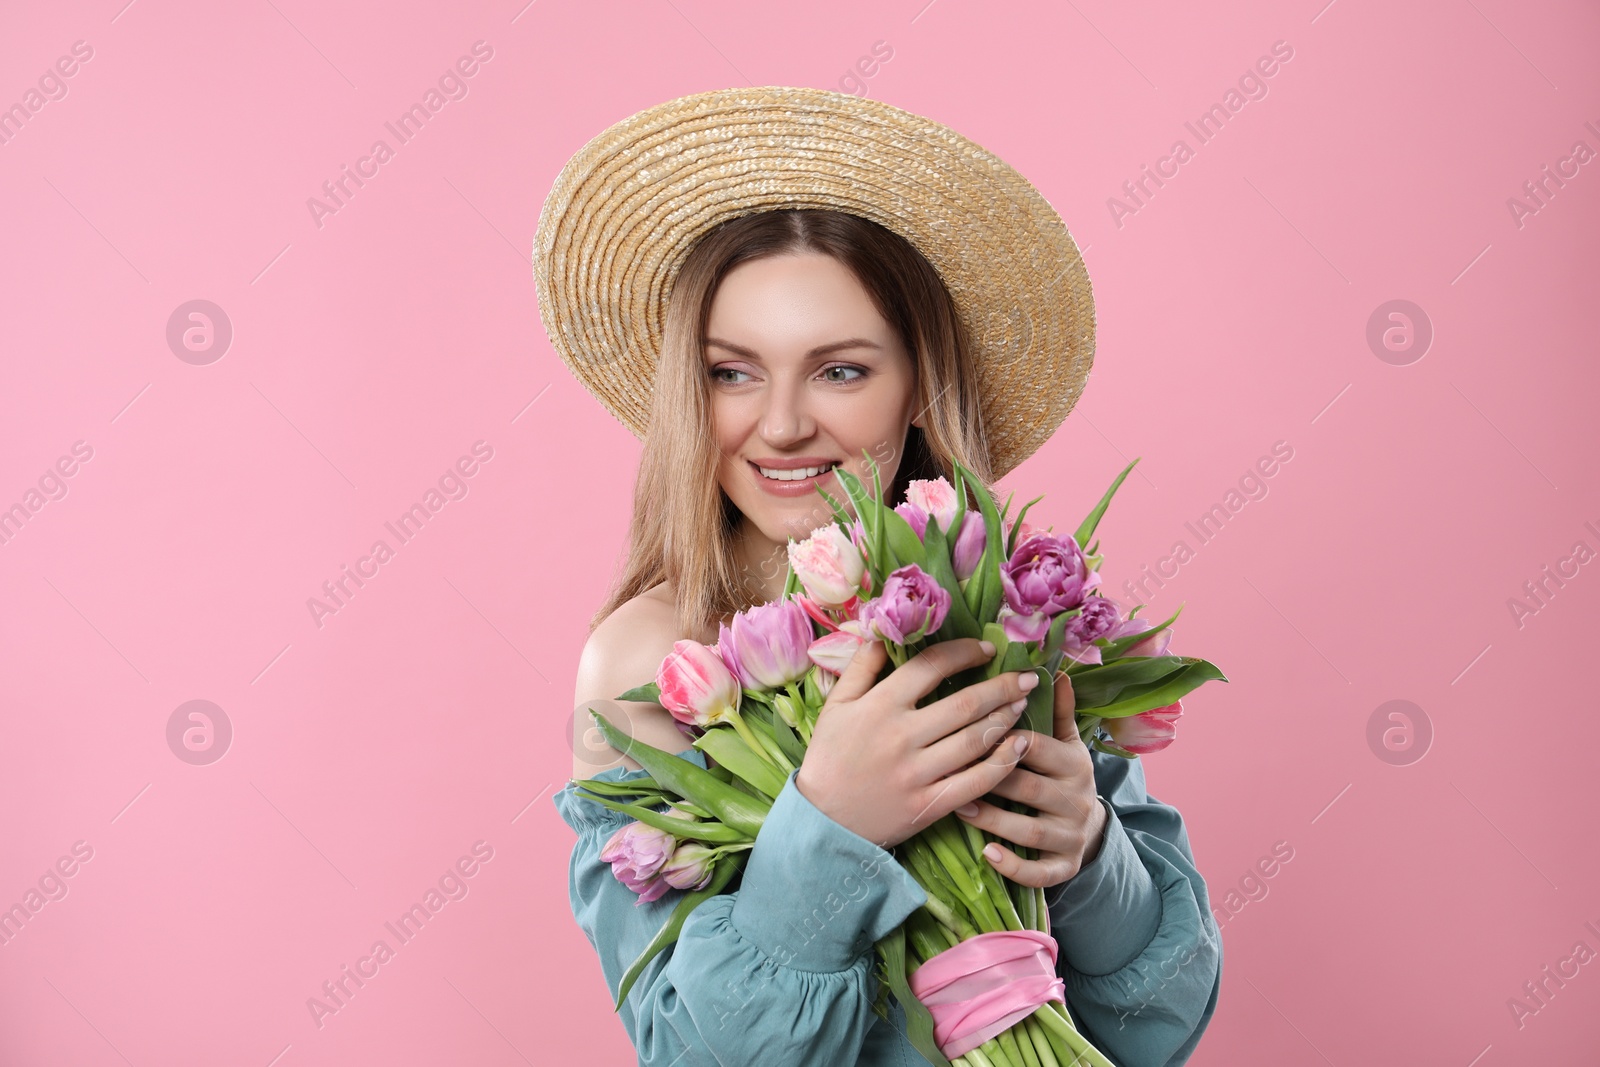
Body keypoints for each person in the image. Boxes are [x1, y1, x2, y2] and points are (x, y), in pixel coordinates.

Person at [538, 87, 1222, 1066]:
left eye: (840, 370)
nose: (778, 425)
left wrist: (1087, 855)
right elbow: (689, 1050)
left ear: (917, 388)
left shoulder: (995, 608)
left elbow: (1160, 1027)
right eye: (732, 370)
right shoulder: (647, 657)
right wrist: (828, 826)